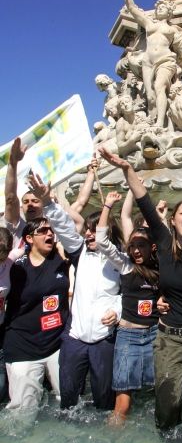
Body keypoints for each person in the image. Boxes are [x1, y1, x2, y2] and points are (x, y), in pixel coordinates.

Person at [98, 146, 182, 434]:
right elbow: (144, 201)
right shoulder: (165, 246)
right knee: (167, 405)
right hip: (167, 338)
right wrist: (127, 168)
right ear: (174, 220)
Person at [27, 173, 122, 411]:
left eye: (95, 230)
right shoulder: (79, 252)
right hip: (75, 338)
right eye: (87, 230)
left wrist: (117, 311)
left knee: (104, 402)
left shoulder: (120, 262)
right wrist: (48, 202)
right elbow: (64, 227)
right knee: (68, 401)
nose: (89, 234)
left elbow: (127, 295)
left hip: (104, 339)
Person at [96, 191, 159, 425]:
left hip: (154, 335)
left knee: (155, 396)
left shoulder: (162, 267)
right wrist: (107, 205)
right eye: (132, 246)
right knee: (122, 402)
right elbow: (102, 241)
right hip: (128, 335)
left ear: (152, 247)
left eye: (140, 245)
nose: (135, 250)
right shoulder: (125, 265)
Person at [114, 0, 182, 127]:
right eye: (159, 7)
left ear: (169, 13)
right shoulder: (149, 24)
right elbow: (133, 8)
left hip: (165, 60)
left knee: (159, 87)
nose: (160, 9)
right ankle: (152, 119)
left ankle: (160, 123)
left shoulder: (173, 30)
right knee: (150, 96)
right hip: (148, 61)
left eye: (164, 8)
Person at [4, 218, 71, 411]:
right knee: (24, 410)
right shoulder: (15, 267)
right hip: (23, 348)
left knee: (68, 404)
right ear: (29, 238)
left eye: (50, 230)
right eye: (42, 231)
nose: (49, 234)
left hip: (57, 345)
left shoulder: (61, 258)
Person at [4, 138, 44, 247]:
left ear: (43, 204)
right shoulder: (17, 227)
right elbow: (10, 199)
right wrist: (13, 164)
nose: (30, 204)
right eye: (26, 202)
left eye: (35, 201)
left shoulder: (53, 229)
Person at [0, 228, 24, 403]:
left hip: (1, 327)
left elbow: (23, 246)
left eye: (4, 254)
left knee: (1, 382)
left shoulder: (8, 261)